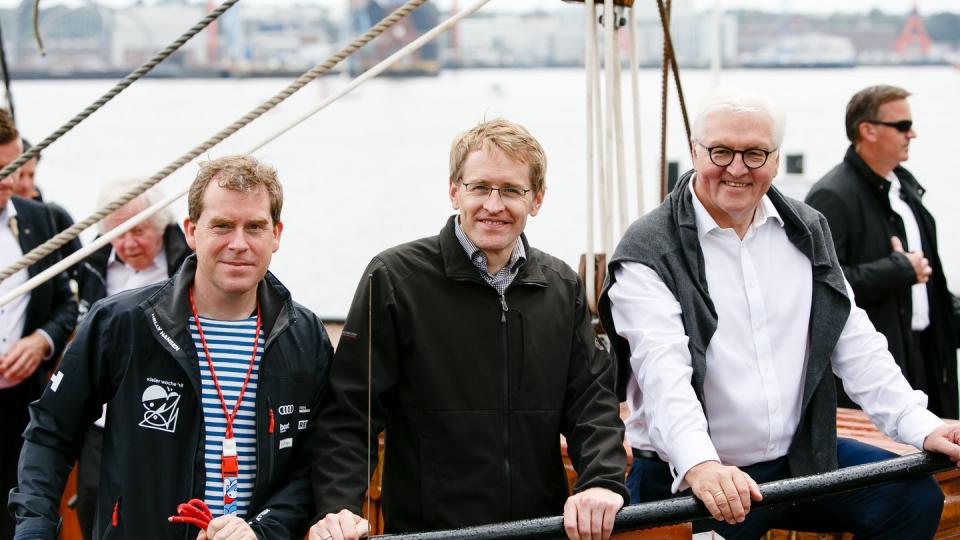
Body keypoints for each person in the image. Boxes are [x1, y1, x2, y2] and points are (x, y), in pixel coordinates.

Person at [597, 88, 960, 539]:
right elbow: (662, 369)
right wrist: (702, 465)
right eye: (721, 151)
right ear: (694, 152)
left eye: (754, 154)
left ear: (774, 159)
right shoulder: (649, 251)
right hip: (686, 474)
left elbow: (855, 341)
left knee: (912, 498)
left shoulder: (806, 231)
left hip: (797, 459)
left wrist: (921, 425)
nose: (736, 168)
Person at [309, 119, 627, 540]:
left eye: (512, 190)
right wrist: (339, 509)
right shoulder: (395, 280)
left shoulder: (561, 287)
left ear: (537, 200)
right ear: (454, 190)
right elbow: (352, 414)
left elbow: (590, 403)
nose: (494, 205)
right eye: (480, 188)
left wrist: (602, 480)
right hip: (430, 534)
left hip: (540, 530)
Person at [10, 155, 333, 540]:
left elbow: (310, 464)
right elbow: (50, 431)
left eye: (255, 227)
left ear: (276, 234)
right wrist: (34, 529)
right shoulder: (124, 323)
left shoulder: (306, 336)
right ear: (191, 232)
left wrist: (261, 529)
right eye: (222, 226)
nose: (239, 243)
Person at [806, 85, 960, 419]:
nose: (912, 134)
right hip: (877, 368)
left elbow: (928, 280)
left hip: (924, 357)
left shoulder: (905, 190)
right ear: (868, 130)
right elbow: (817, 285)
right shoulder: (832, 196)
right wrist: (898, 270)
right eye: (903, 126)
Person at [72, 178, 192, 539]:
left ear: (161, 226)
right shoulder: (92, 264)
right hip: (102, 411)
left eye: (138, 231)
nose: (127, 243)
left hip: (160, 407)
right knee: (92, 499)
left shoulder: (183, 263)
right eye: (117, 232)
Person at [0, 109, 78, 539]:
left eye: (16, 168)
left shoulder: (38, 219)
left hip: (21, 404)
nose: (12, 182)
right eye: (2, 171)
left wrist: (41, 340)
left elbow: (67, 300)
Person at [16, 138, 82, 269]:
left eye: (31, 175)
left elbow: (80, 270)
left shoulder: (55, 217)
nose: (26, 184)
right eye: (19, 175)